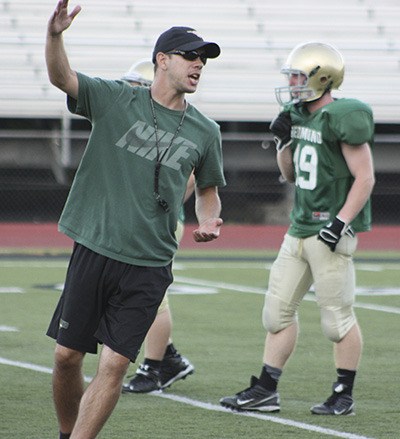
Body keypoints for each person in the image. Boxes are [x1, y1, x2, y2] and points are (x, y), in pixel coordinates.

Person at [45, 2, 225, 438]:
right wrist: (55, 37)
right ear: (162, 61)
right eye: (190, 56)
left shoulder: (206, 131)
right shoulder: (115, 99)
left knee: (114, 364)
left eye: (203, 58)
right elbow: (61, 78)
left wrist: (210, 221)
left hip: (149, 263)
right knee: (68, 358)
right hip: (95, 247)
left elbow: (208, 192)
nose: (198, 64)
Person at [220, 41, 375, 416]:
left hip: (330, 230)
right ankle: (266, 389)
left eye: (297, 76)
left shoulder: (342, 116)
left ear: (322, 78)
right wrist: (283, 141)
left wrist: (340, 224)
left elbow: (365, 178)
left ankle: (343, 393)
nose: (291, 83)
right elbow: (289, 174)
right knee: (276, 313)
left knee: (337, 320)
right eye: (290, 75)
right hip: (300, 227)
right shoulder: (298, 115)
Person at [120, 59, 195, 393]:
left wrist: (165, 207)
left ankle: (153, 369)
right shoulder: (140, 122)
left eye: (136, 86)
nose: (130, 93)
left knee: (154, 298)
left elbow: (191, 176)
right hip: (134, 220)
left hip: (157, 223)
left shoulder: (172, 126)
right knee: (131, 294)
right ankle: (171, 357)